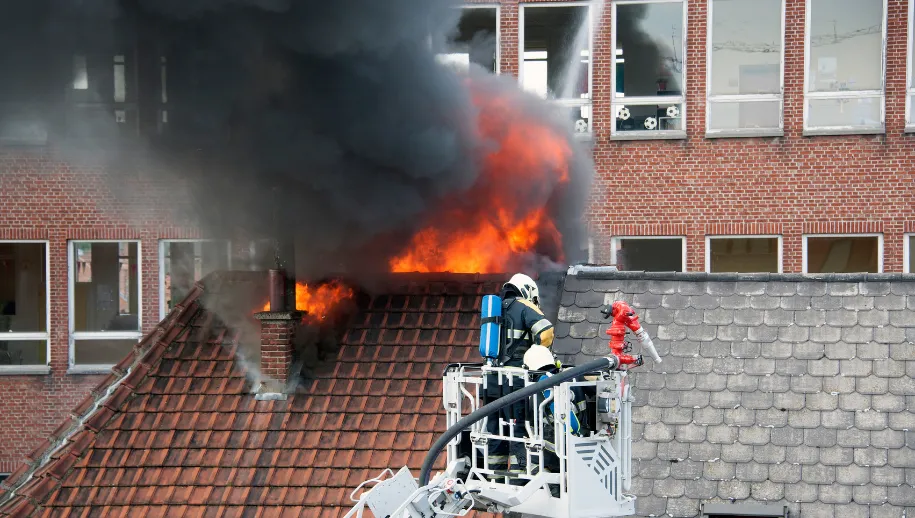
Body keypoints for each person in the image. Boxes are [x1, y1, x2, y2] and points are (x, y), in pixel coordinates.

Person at [484, 273, 555, 477]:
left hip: (491, 380)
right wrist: (537, 355)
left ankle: (494, 473)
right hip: (516, 379)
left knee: (495, 428)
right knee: (519, 426)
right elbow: (546, 332)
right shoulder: (523, 305)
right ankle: (519, 472)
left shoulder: (496, 309)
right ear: (527, 291)